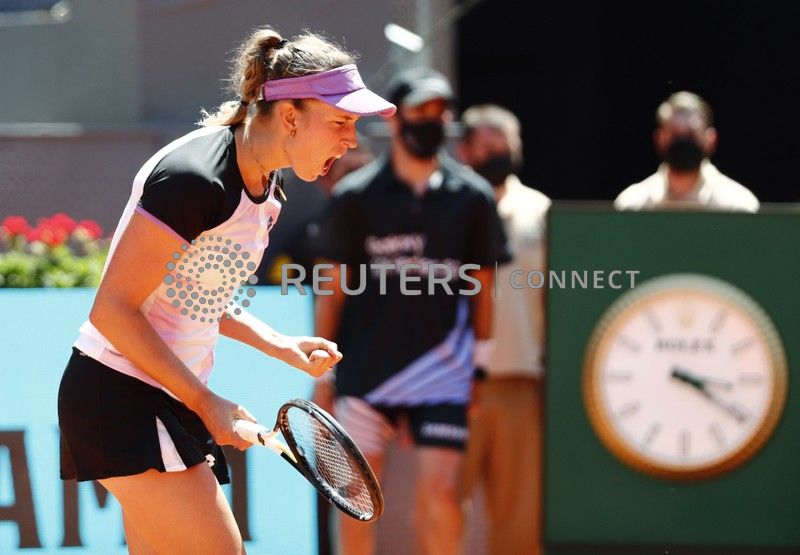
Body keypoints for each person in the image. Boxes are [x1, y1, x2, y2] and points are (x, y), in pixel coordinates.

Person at [56, 27, 395, 555]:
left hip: (162, 398)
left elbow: (198, 292)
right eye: (340, 122)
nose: (351, 140)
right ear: (290, 117)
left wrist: (279, 344)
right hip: (119, 395)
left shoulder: (266, 186)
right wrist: (206, 401)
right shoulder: (194, 179)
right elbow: (113, 310)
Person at [313, 66, 510, 555]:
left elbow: (484, 288)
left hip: (443, 372)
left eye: (441, 112)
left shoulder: (472, 198)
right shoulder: (355, 197)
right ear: (396, 119)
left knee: (442, 494)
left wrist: (479, 368)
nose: (433, 121)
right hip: (365, 369)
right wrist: (322, 374)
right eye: (422, 110)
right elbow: (332, 290)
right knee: (355, 497)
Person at [457, 104, 550, 555]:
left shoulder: (541, 213)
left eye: (505, 145)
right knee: (441, 506)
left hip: (519, 383)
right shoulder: (445, 208)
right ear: (465, 151)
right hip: (451, 386)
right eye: (487, 146)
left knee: (519, 517)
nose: (496, 154)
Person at [615, 91, 759, 212]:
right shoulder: (632, 206)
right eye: (675, 135)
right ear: (659, 139)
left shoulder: (737, 206)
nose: (683, 141)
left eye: (691, 135)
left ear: (711, 139)